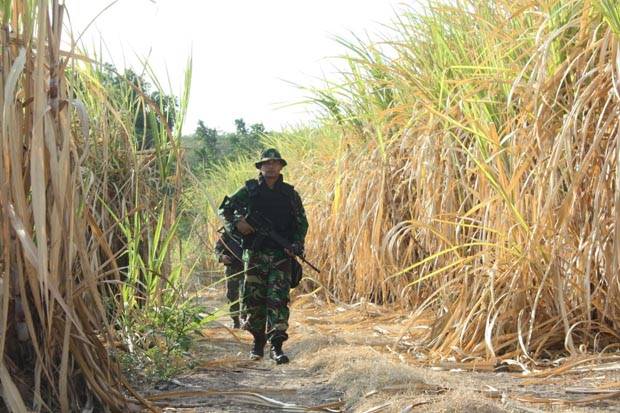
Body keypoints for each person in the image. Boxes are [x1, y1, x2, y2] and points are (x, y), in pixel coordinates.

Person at [218, 148, 308, 364]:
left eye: (275, 163)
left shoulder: (289, 194)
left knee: (278, 300)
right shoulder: (249, 191)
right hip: (255, 254)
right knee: (253, 300)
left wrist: (296, 243)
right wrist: (237, 226)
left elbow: (301, 222)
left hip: (280, 256)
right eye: (267, 163)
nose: (271, 166)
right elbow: (225, 211)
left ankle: (276, 346)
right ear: (261, 167)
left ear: (281, 166)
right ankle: (258, 342)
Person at [214, 228, 244, 328]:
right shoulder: (228, 232)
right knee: (232, 295)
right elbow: (217, 249)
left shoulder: (253, 228)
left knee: (248, 294)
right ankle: (235, 320)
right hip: (232, 268)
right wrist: (221, 257)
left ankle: (246, 318)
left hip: (249, 268)